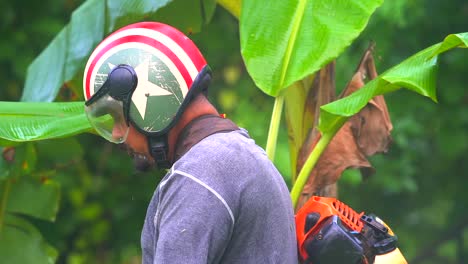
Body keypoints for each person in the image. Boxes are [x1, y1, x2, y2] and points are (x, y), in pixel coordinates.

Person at [82, 21, 298, 263]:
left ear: (151, 106)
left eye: (117, 117)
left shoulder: (200, 176)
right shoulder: (245, 156)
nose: (115, 133)